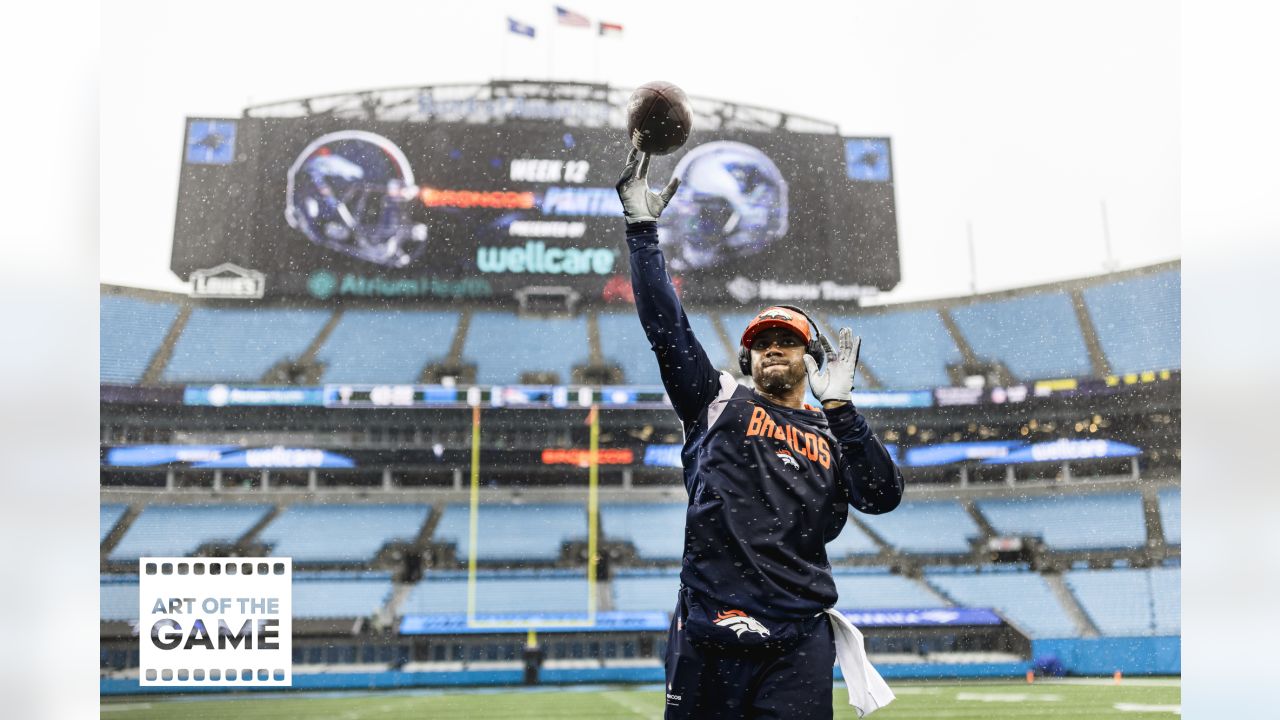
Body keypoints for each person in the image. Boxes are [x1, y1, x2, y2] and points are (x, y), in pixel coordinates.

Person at [616, 148, 905, 719]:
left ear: (811, 357)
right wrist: (643, 232)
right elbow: (664, 324)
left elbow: (882, 495)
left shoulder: (832, 429)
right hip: (708, 625)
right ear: (748, 358)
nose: (773, 345)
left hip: (796, 635)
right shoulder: (716, 399)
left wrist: (843, 408)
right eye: (762, 340)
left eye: (789, 339)